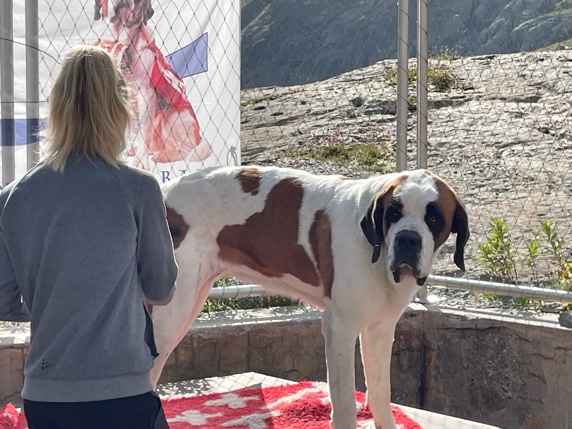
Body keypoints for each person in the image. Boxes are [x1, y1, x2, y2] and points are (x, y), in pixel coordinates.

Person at [0, 45, 178, 429]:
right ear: (119, 107)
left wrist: (60, 302)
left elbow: (2, 300)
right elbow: (162, 289)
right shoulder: (138, 188)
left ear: (57, 107)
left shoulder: (11, 198)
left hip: (46, 394)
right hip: (123, 391)